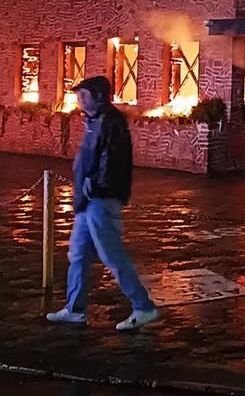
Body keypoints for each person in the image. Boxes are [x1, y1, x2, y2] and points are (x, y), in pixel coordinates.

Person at [46, 76, 161, 331]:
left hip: (101, 199)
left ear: (98, 96)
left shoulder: (110, 122)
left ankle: (143, 307)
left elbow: (114, 161)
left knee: (112, 255)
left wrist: (96, 185)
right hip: (88, 201)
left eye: (83, 94)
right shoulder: (94, 120)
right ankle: (75, 309)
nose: (79, 99)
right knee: (78, 254)